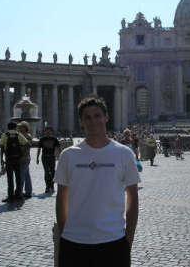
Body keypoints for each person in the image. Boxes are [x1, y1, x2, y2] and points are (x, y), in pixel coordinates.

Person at [55, 96, 140, 267]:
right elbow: (61, 197)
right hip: (73, 241)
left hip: (114, 240)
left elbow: (133, 197)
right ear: (81, 121)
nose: (93, 121)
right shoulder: (68, 155)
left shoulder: (124, 154)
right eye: (87, 117)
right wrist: (65, 233)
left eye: (97, 115)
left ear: (106, 117)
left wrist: (128, 239)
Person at [0, 121, 29, 203]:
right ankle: (19, 195)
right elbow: (28, 144)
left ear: (8, 127)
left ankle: (10, 197)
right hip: (17, 159)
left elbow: (2, 148)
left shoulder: (4, 135)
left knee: (10, 178)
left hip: (9, 159)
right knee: (18, 178)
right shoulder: (18, 134)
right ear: (15, 127)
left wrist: (1, 159)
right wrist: (23, 154)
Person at [37, 126, 61, 194]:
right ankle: (47, 186)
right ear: (45, 132)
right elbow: (39, 149)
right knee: (47, 171)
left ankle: (52, 185)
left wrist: (61, 156)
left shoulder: (54, 139)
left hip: (52, 157)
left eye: (49, 131)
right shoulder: (42, 139)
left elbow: (59, 148)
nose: (48, 132)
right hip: (44, 157)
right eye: (46, 131)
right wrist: (37, 158)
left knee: (53, 171)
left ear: (51, 132)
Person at [18, 121, 33, 198]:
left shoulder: (27, 136)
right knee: (26, 175)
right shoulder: (22, 135)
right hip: (24, 157)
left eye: (21, 127)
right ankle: (28, 191)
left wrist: (23, 157)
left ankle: (19, 192)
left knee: (21, 175)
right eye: (19, 127)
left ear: (25, 128)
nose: (19, 128)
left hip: (24, 158)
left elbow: (27, 147)